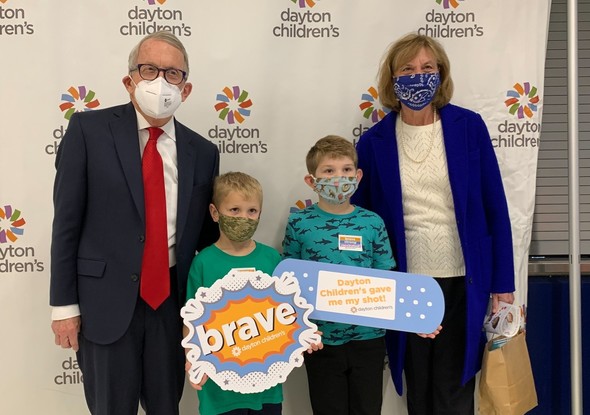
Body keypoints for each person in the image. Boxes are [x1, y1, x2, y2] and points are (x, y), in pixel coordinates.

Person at [49, 30, 220, 415]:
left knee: (166, 406)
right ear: (130, 81)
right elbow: (66, 226)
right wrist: (63, 306)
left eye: (173, 73)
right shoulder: (88, 131)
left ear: (186, 88)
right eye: (149, 69)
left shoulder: (204, 152)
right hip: (104, 306)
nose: (161, 81)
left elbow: (207, 240)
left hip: (171, 309)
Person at [351, 33, 516, 415]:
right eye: (407, 69)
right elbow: (362, 218)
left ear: (441, 74)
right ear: (392, 79)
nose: (417, 76)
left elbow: (495, 205)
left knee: (455, 388)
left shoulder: (468, 127)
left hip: (464, 278)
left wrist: (503, 284)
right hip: (406, 282)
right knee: (419, 389)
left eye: (427, 67)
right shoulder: (374, 141)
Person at [282, 135, 396, 415]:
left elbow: (387, 278)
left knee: (367, 408)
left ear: (358, 176)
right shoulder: (299, 222)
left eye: (346, 170)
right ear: (312, 181)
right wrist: (300, 327)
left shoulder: (372, 222)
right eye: (329, 171)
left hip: (368, 339)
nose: (338, 177)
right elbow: (289, 282)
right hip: (320, 339)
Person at [184, 171, 285, 415]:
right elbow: (192, 319)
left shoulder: (272, 258)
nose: (244, 217)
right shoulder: (203, 263)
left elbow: (287, 314)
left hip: (266, 384)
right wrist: (193, 358)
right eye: (235, 210)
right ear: (215, 212)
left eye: (252, 211)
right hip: (219, 387)